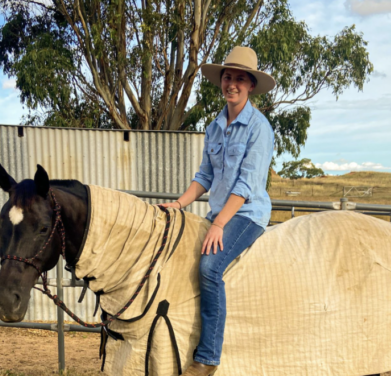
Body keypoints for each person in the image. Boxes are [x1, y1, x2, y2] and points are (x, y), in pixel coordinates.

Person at [158, 46, 276, 376]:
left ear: (251, 85)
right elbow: (205, 176)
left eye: (240, 78)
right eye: (228, 77)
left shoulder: (259, 128)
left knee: (210, 267)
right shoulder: (214, 127)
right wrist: (179, 204)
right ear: (221, 82)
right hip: (219, 214)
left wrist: (220, 223)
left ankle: (208, 357)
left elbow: (247, 184)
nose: (232, 84)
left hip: (247, 213)